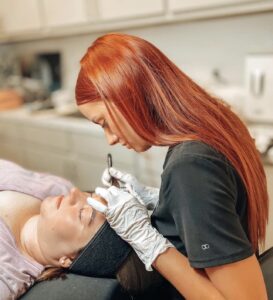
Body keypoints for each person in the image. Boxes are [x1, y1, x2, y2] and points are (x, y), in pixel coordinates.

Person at [75, 33, 269, 299]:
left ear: (126, 95)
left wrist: (151, 245)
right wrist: (165, 201)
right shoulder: (216, 122)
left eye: (104, 122)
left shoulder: (190, 166)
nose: (110, 138)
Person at [0, 159, 162, 300]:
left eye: (82, 213)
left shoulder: (6, 278)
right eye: (87, 195)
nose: (74, 193)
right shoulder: (58, 188)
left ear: (67, 259)